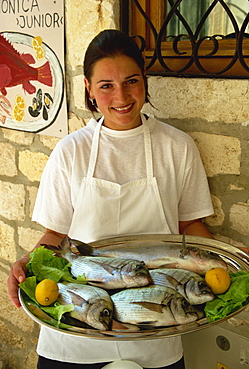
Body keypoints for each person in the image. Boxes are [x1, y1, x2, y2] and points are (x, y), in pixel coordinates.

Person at [8, 29, 215, 369]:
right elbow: (55, 236)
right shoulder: (71, 151)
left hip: (155, 326)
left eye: (131, 81)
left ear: (144, 80)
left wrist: (233, 265)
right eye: (106, 85)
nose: (121, 96)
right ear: (89, 88)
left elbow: (190, 226)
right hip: (76, 331)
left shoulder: (177, 147)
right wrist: (26, 265)